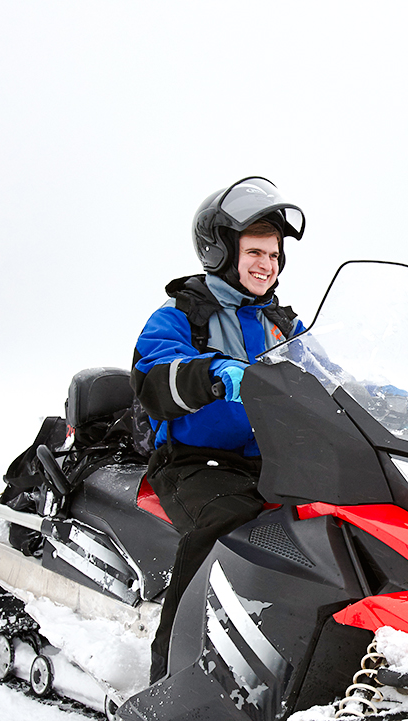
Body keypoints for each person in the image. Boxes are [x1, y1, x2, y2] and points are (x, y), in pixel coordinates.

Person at [131, 177, 306, 682]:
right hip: (194, 462)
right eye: (254, 251)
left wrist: (381, 395)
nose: (266, 264)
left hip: (269, 460)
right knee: (226, 523)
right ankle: (170, 675)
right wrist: (208, 374)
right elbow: (154, 373)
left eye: (273, 255)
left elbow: (325, 373)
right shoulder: (182, 313)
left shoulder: (281, 324)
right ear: (222, 252)